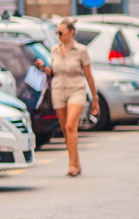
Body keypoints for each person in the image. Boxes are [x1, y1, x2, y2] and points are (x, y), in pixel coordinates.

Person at [34, 18, 98, 177]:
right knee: (64, 129)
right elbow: (54, 72)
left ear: (71, 32)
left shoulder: (81, 50)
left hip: (76, 89)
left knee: (71, 126)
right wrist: (43, 67)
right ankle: (76, 162)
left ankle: (72, 165)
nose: (58, 35)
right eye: (57, 32)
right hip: (58, 90)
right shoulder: (54, 49)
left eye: (61, 32)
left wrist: (95, 99)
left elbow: (89, 76)